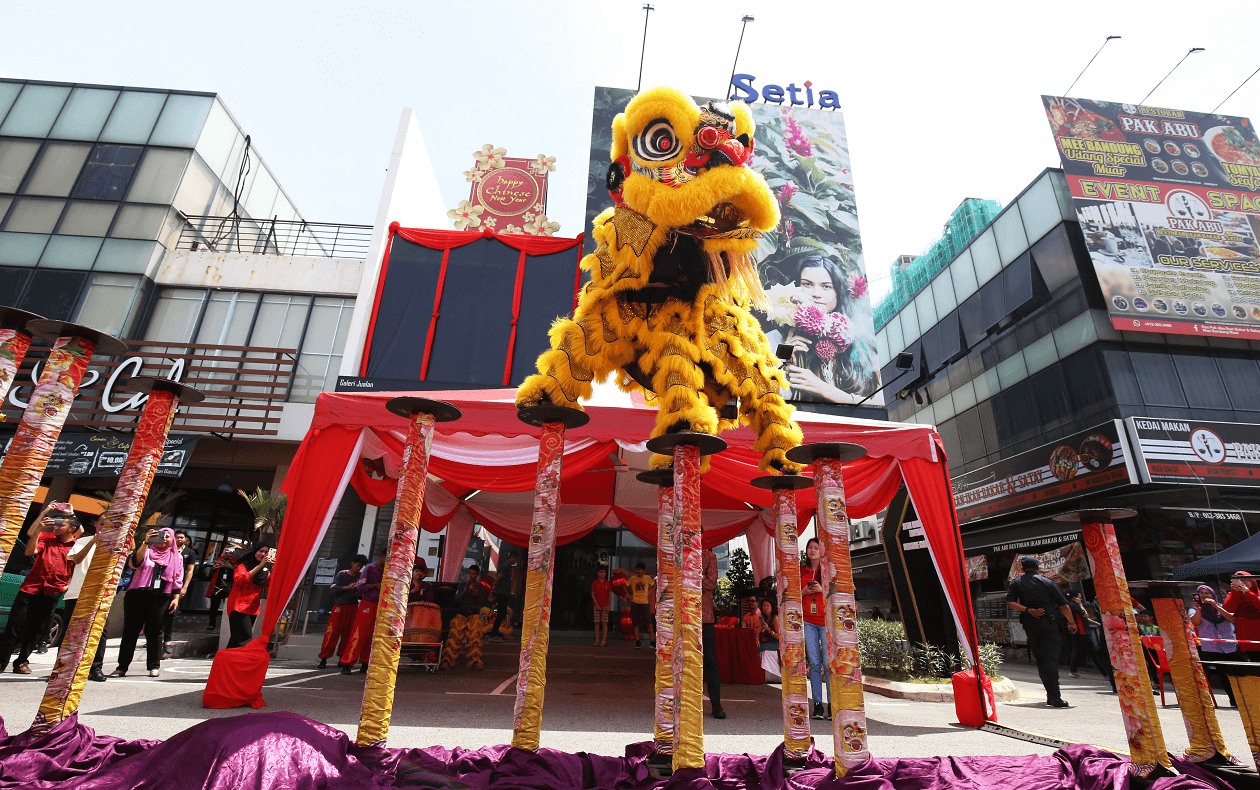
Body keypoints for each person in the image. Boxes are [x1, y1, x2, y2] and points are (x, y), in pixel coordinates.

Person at [765, 252, 878, 404]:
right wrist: (783, 357)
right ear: (795, 288)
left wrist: (825, 390)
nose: (816, 294)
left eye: (826, 286)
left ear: (837, 292)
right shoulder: (776, 339)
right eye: (807, 284)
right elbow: (762, 396)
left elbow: (880, 402)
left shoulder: (857, 343)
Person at [0, 503, 93, 674]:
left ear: (71, 529)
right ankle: (2, 661)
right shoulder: (46, 538)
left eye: (60, 524)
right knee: (14, 625)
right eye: (55, 524)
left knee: (36, 628)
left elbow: (79, 537)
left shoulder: (76, 545)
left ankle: (22, 661)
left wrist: (65, 585)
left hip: (53, 591)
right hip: (30, 587)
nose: (56, 527)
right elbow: (29, 551)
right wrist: (43, 519)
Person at [111, 527, 186, 677]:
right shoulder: (146, 551)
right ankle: (122, 667)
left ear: (172, 539)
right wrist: (145, 542)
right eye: (161, 536)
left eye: (167, 537)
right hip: (137, 594)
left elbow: (178, 579)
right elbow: (134, 563)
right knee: (130, 631)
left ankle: (153, 666)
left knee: (155, 632)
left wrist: (176, 598)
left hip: (161, 597)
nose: (164, 539)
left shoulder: (176, 557)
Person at [1006, 556, 1076, 707]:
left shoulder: (1016, 582)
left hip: (1030, 625)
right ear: (1038, 568)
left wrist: (1028, 610)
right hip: (1049, 624)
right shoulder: (1047, 582)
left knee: (1041, 659)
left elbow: (1010, 602)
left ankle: (1051, 694)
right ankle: (1054, 697)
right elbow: (1064, 606)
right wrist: (1071, 622)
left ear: (1022, 568)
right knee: (1051, 659)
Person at [1190, 584, 1238, 706]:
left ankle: (1242, 697)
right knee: (1223, 674)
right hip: (1212, 647)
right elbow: (1195, 622)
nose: (1204, 595)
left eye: (1207, 593)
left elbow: (1232, 619)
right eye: (1201, 593)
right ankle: (1233, 699)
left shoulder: (1223, 606)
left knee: (1236, 672)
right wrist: (1199, 609)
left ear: (1213, 595)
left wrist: (1216, 606)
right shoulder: (1194, 609)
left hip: (1230, 645)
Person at [339, 552, 386, 674]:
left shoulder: (389, 570)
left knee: (372, 636)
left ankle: (365, 662)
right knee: (359, 633)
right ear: (382, 556)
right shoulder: (370, 568)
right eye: (387, 557)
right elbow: (360, 586)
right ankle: (347, 662)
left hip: (381, 605)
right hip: (368, 604)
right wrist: (376, 586)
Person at [317, 554, 365, 668]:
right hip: (340, 606)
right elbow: (333, 588)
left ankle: (342, 658)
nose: (358, 568)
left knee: (348, 634)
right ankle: (324, 658)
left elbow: (362, 593)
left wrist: (359, 593)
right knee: (332, 632)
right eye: (357, 565)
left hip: (353, 606)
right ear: (352, 564)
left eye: (360, 566)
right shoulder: (342, 574)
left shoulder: (361, 577)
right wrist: (346, 587)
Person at [801, 537, 829, 720]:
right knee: (814, 663)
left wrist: (821, 590)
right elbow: (791, 595)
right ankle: (818, 704)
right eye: (810, 547)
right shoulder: (801, 571)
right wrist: (805, 591)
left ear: (822, 551)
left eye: (816, 547)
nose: (812, 550)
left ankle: (832, 704)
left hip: (826, 621)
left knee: (828, 663)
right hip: (808, 621)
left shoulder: (827, 570)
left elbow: (837, 592)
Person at [224, 542, 272, 650]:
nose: (263, 554)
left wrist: (274, 567)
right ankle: (238, 659)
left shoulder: (264, 570)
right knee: (244, 638)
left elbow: (270, 583)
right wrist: (260, 566)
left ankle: (226, 658)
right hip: (239, 607)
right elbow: (240, 579)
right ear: (254, 551)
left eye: (266, 552)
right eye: (261, 551)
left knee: (236, 639)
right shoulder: (243, 566)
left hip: (252, 608)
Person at [161, 531, 198, 659]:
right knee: (159, 613)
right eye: (177, 537)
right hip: (163, 585)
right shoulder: (167, 549)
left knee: (172, 613)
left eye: (181, 537)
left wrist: (185, 586)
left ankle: (167, 640)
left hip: (177, 586)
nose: (179, 539)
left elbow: (190, 570)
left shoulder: (189, 552)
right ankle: (156, 637)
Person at [701, 547, 725, 719]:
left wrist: (692, 579)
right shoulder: (680, 555)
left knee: (710, 660)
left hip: (705, 616)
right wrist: (700, 578)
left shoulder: (710, 557)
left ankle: (716, 703)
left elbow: (711, 583)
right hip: (683, 615)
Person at [1223, 572, 1260, 661]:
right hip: (1246, 639)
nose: (1242, 583)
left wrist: (1247, 592)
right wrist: (1235, 592)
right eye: (1239, 580)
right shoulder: (1233, 594)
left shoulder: (1257, 594)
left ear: (1252, 582)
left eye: (1245, 580)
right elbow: (1228, 609)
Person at [1066, 592, 1102, 679]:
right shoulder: (1074, 605)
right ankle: (1104, 672)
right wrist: (1080, 604)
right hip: (1081, 631)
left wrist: (1095, 623)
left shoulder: (1073, 605)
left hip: (1080, 631)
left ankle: (1073, 670)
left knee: (1078, 651)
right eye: (1079, 598)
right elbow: (1085, 615)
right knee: (1092, 652)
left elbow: (1084, 617)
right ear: (1074, 598)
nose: (1081, 600)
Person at [205, 541, 240, 631]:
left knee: (228, 606)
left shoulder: (236, 562)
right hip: (217, 585)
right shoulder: (222, 560)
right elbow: (215, 566)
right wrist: (223, 554)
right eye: (228, 551)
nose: (230, 553)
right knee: (214, 606)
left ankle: (227, 624)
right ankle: (212, 623)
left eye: (232, 551)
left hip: (229, 586)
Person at [490, 553, 519, 641]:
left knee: (502, 613)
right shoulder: (505, 566)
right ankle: (493, 634)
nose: (516, 561)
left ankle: (494, 633)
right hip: (501, 592)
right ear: (512, 557)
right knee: (502, 613)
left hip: (504, 592)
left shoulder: (508, 566)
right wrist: (492, 591)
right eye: (516, 559)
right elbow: (498, 578)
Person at [628, 562, 655, 649]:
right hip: (635, 603)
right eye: (637, 569)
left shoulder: (647, 578)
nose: (638, 571)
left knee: (649, 622)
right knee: (635, 622)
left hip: (645, 603)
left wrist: (649, 593)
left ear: (643, 570)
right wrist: (629, 596)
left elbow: (654, 585)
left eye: (640, 569)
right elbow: (625, 586)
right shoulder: (633, 578)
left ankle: (652, 641)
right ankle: (638, 641)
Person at [591, 567, 612, 647]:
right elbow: (593, 594)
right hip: (596, 605)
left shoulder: (608, 583)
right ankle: (597, 640)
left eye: (603, 572)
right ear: (598, 573)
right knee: (597, 622)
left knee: (604, 623)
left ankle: (604, 640)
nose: (602, 573)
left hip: (605, 605)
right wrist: (596, 604)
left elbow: (609, 595)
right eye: (600, 572)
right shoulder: (595, 582)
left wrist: (609, 606)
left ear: (605, 573)